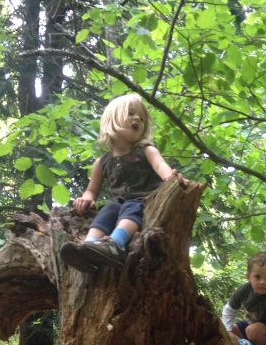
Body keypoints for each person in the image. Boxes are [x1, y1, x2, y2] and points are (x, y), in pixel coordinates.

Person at [60, 94, 188, 273]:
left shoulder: (146, 150)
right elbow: (92, 191)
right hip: (119, 205)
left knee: (131, 205)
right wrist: (86, 199)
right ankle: (87, 247)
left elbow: (161, 166)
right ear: (112, 120)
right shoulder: (102, 162)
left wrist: (171, 178)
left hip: (145, 202)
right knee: (109, 209)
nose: (137, 119)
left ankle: (116, 245)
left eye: (142, 119)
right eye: (130, 113)